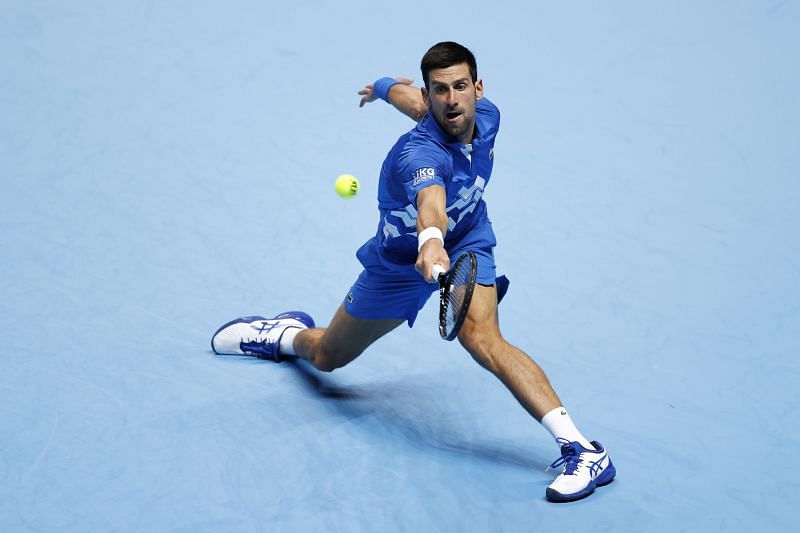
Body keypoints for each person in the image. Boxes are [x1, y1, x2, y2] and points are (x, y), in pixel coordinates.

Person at [211, 41, 615, 503]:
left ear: (478, 89)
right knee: (327, 357)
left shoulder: (487, 117)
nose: (451, 100)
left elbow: (412, 100)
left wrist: (384, 87)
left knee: (481, 338)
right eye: (439, 91)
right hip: (401, 262)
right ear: (430, 95)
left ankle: (582, 450)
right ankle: (283, 335)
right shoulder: (418, 156)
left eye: (460, 87)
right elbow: (430, 206)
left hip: (469, 239)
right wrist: (431, 243)